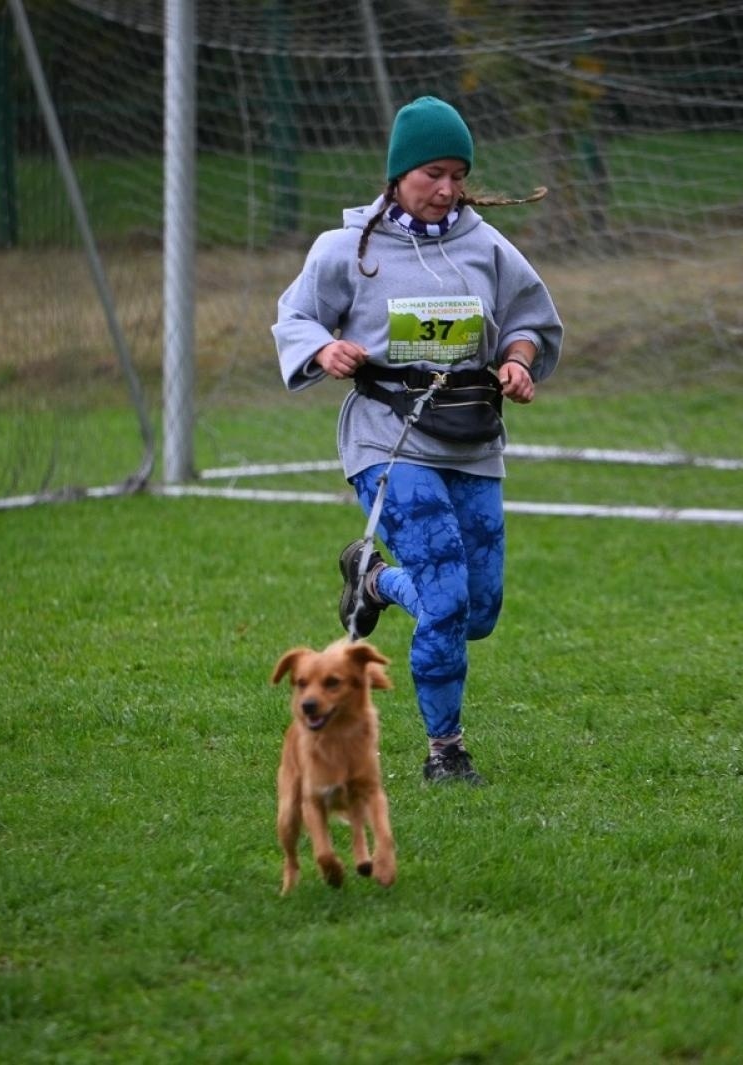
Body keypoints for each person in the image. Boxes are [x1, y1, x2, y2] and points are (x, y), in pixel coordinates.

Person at [272, 95, 562, 785]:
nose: (447, 189)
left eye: (458, 175)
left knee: (478, 610)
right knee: (445, 596)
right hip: (387, 440)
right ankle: (446, 753)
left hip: (472, 437)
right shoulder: (347, 249)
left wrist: (518, 360)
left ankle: (372, 577)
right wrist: (326, 350)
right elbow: (297, 317)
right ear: (399, 174)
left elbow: (531, 318)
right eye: (433, 172)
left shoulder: (486, 245)